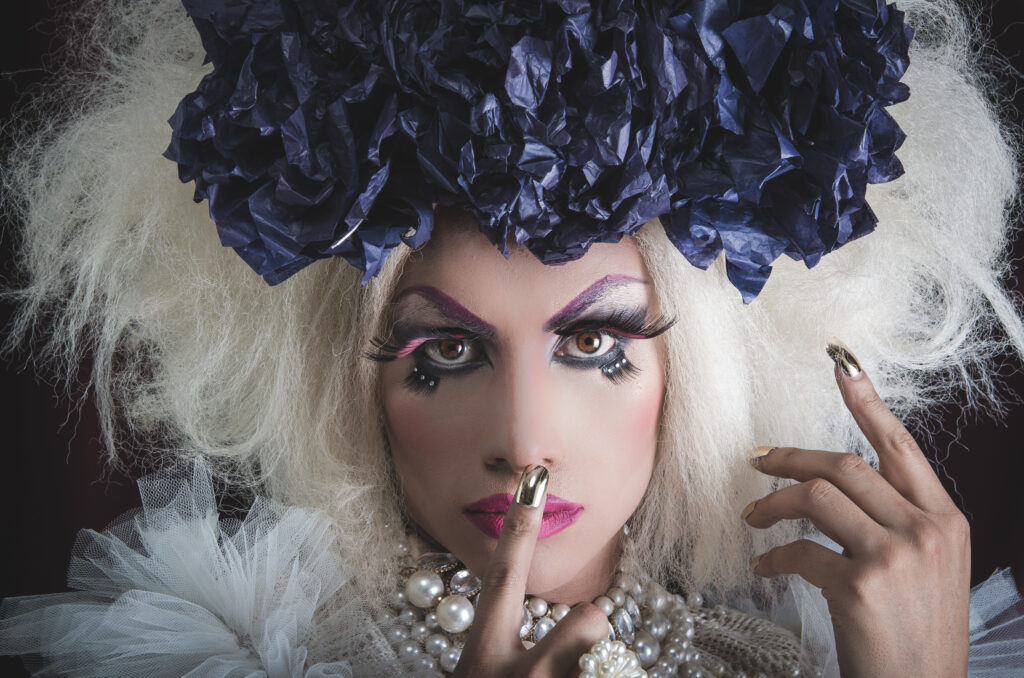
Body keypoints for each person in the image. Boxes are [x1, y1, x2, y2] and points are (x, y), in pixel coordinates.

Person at [1, 0, 1022, 676]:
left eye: (594, 347)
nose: (523, 440)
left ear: (699, 371)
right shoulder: (225, 657)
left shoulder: (827, 655)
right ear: (341, 384)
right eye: (445, 354)